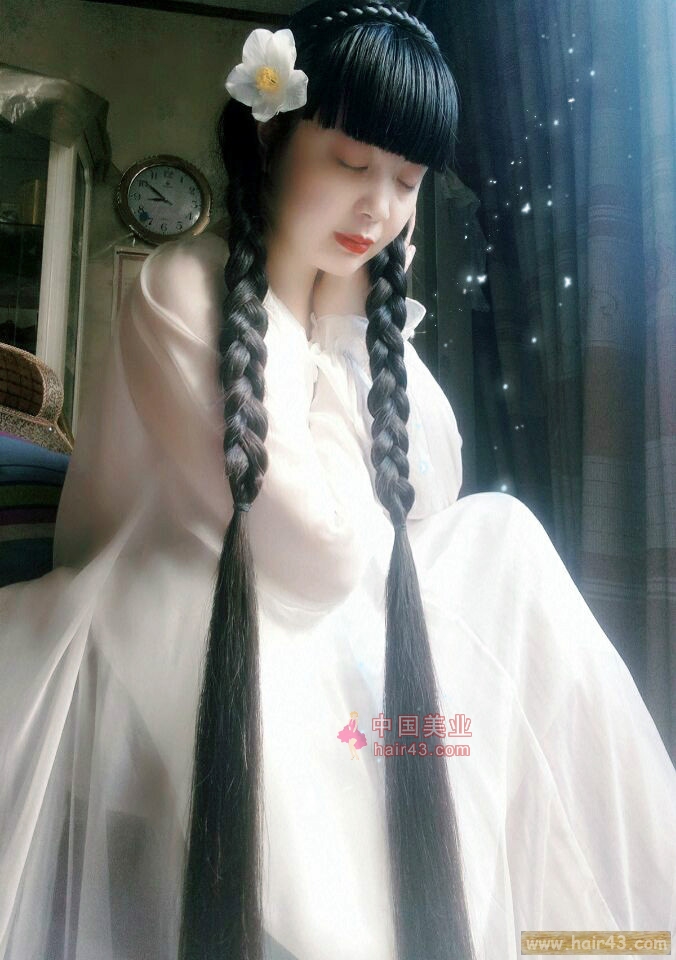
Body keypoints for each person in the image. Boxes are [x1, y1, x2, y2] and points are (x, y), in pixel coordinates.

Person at [0, 1, 675, 958]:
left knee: (503, 542)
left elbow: (428, 496)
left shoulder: (341, 308)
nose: (380, 209)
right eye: (353, 164)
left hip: (315, 606)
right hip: (192, 604)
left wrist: (352, 320)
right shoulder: (181, 287)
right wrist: (315, 320)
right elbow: (311, 552)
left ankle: (612, 936)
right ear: (272, 138)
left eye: (407, 181)